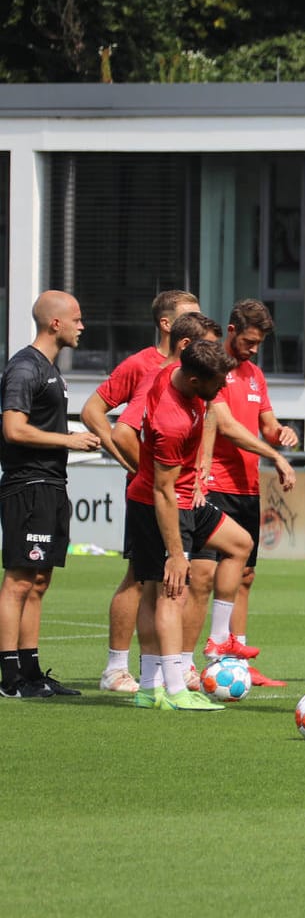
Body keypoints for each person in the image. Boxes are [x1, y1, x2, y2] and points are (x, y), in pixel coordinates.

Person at [77, 288, 197, 693]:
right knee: (138, 577)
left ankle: (169, 669)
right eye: (190, 316)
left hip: (180, 491)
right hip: (150, 491)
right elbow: (93, 411)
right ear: (168, 324)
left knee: (173, 578)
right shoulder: (143, 365)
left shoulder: (193, 369)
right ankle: (116, 667)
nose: (200, 324)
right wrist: (131, 460)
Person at [125, 339, 252, 710]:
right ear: (195, 381)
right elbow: (163, 492)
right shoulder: (171, 420)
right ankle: (171, 689)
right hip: (161, 504)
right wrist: (177, 554)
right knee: (170, 591)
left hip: (185, 497)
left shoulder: (174, 373)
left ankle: (209, 643)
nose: (225, 387)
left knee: (240, 543)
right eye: (218, 381)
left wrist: (201, 469)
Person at [0, 291, 102, 698]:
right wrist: (69, 440)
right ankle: (10, 678)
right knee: (19, 580)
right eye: (77, 318)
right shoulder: (25, 368)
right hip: (28, 485)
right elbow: (12, 429)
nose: (82, 325)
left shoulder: (50, 371)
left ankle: (32, 671)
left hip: (51, 484)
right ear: (54, 323)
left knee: (39, 581)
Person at [197, 299, 301, 687]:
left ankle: (235, 659)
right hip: (216, 484)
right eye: (249, 341)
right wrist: (274, 453)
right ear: (231, 331)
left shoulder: (255, 375)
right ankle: (202, 659)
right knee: (203, 576)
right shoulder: (211, 371)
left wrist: (281, 433)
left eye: (259, 343)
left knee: (246, 575)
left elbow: (265, 423)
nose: (254, 349)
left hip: (248, 487)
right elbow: (226, 426)